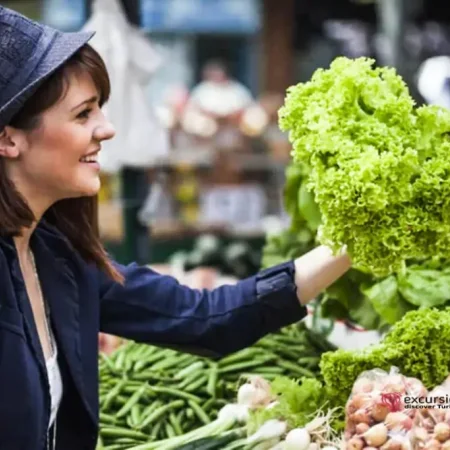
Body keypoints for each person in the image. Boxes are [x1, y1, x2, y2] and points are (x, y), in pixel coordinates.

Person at [0, 6, 351, 450]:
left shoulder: (60, 260)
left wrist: (347, 241)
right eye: (83, 114)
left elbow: (203, 320)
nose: (106, 130)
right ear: (8, 138)